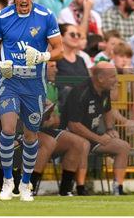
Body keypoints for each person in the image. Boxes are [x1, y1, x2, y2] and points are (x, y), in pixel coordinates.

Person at [0, 0, 64, 201]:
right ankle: (8, 181)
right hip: (8, 82)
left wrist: (44, 56)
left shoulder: (45, 16)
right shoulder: (1, 17)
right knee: (9, 130)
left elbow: (59, 47)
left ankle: (26, 183)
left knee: (30, 136)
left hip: (34, 85)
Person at [61, 62, 131, 196]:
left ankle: (118, 189)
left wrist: (110, 129)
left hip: (94, 136)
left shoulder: (105, 90)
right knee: (83, 144)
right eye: (112, 77)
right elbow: (74, 125)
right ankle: (81, 189)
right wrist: (99, 138)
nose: (116, 80)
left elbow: (108, 110)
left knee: (124, 146)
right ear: (100, 78)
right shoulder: (80, 91)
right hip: (73, 137)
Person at [33, 60, 91, 196]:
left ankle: (65, 190)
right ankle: (30, 187)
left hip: (44, 130)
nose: (56, 70)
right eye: (52, 66)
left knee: (80, 143)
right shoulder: (31, 85)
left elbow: (56, 120)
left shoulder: (52, 87)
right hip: (24, 131)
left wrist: (50, 119)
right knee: (49, 142)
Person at [55, 23, 90, 96]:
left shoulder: (81, 59)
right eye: (72, 34)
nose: (77, 37)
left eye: (78, 35)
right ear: (61, 37)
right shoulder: (54, 59)